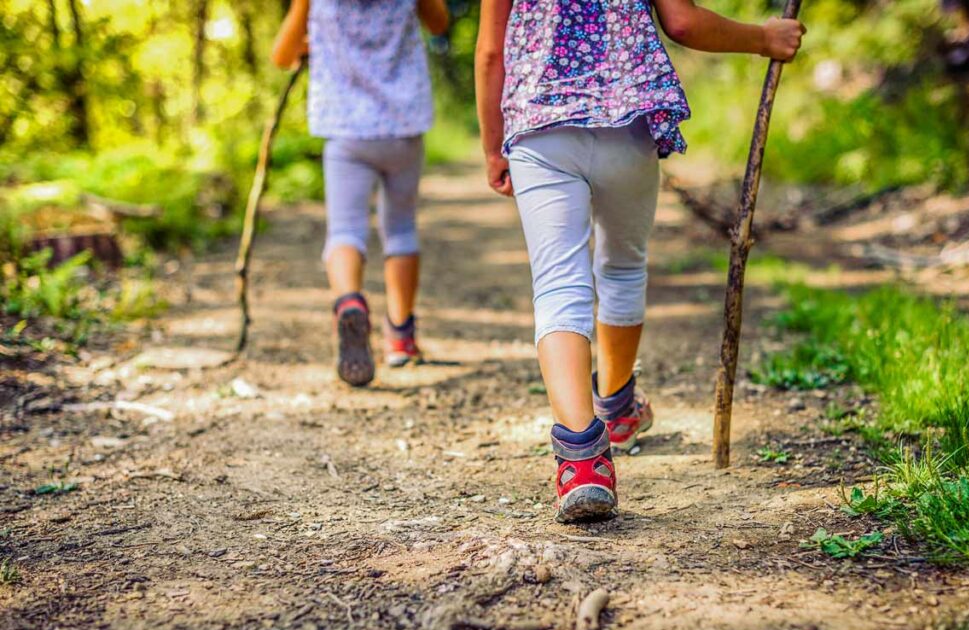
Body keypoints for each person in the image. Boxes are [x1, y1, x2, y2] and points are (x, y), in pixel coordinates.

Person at [475, 0, 804, 522]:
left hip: (540, 128)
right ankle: (618, 406)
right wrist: (763, 38)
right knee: (623, 266)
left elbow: (492, 52)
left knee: (560, 283)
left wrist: (494, 147)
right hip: (625, 123)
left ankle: (582, 461)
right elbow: (682, 21)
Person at [271, 0, 449, 386]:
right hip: (403, 126)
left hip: (345, 129)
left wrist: (309, 38)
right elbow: (439, 24)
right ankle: (401, 337)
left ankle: (349, 301)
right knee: (400, 228)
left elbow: (281, 55)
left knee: (345, 231)